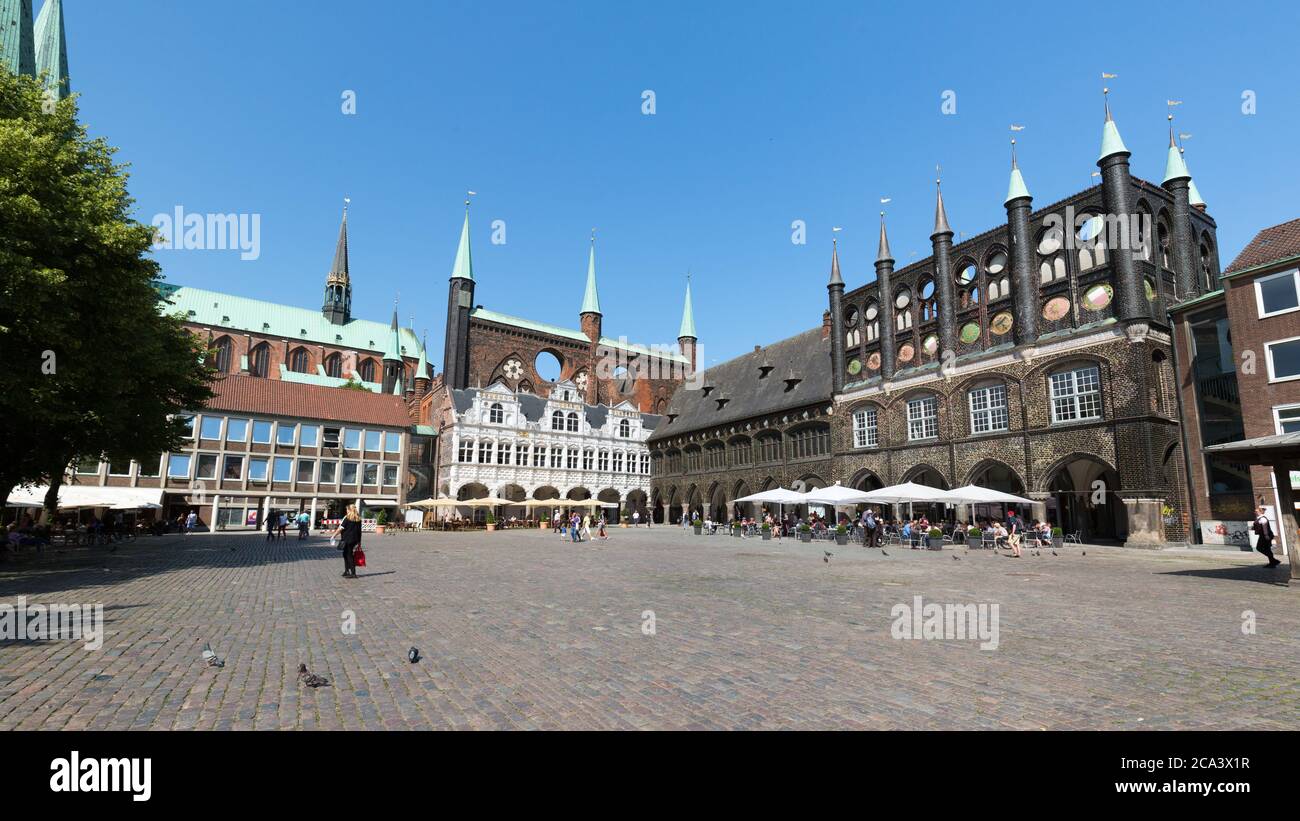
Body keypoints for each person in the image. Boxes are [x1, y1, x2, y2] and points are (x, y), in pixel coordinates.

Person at [333, 504, 363, 578]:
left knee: (349, 555)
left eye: (347, 509)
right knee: (345, 554)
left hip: (347, 540)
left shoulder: (347, 518)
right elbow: (359, 531)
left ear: (349, 510)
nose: (346, 511)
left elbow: (341, 528)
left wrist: (334, 535)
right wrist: (359, 542)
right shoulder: (358, 519)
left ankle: (353, 573)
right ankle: (347, 571)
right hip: (354, 540)